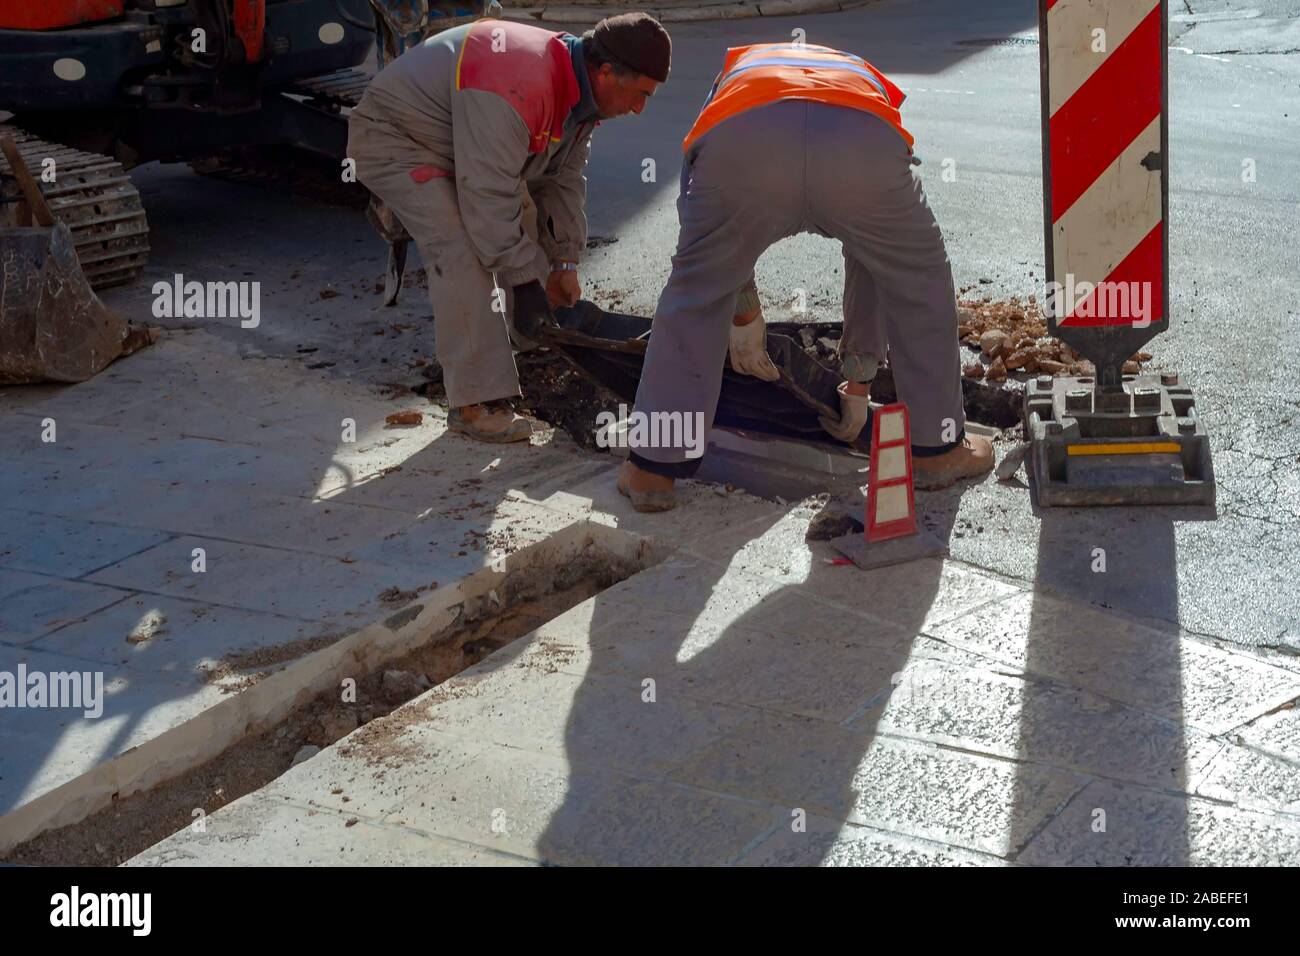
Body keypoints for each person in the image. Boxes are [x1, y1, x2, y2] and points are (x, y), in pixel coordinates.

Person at [618, 41, 993, 511]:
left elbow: (701, 231)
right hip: (860, 150)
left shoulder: (734, 76)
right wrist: (858, 380)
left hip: (744, 144)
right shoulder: (864, 78)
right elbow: (873, 265)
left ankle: (652, 469)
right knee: (918, 278)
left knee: (695, 291)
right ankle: (936, 451)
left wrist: (742, 312)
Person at [348, 13, 671, 442]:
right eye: (640, 95)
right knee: (462, 246)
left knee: (519, 219)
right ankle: (475, 403)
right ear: (607, 72)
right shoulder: (521, 82)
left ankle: (526, 331)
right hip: (399, 138)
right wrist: (522, 282)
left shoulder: (582, 95)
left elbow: (562, 180)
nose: (639, 109)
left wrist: (564, 263)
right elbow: (486, 197)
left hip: (466, 140)